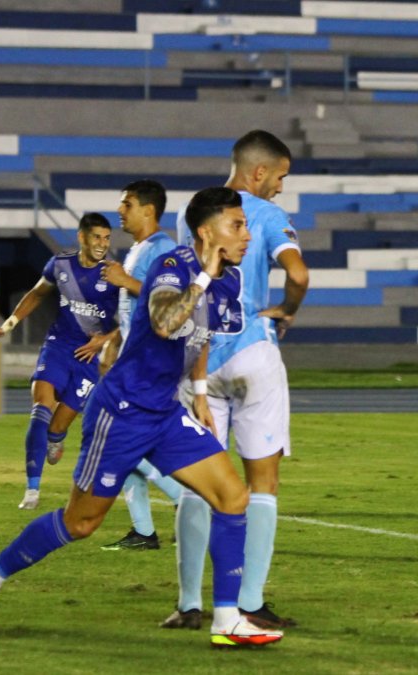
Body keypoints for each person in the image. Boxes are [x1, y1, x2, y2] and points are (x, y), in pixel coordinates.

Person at [0, 187, 282, 648]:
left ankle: (227, 618)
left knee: (233, 498)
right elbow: (165, 323)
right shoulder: (171, 268)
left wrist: (197, 394)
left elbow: (201, 336)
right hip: (122, 412)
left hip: (165, 413)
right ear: (205, 232)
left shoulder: (228, 279)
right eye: (237, 226)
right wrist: (204, 279)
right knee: (82, 523)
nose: (247, 236)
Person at [168, 130, 308, 630]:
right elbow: (298, 274)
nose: (281, 187)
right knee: (262, 483)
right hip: (252, 352)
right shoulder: (266, 218)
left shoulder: (198, 212)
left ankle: (187, 603)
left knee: (196, 482)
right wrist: (287, 311)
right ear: (259, 172)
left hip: (199, 359)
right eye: (281, 176)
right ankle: (249, 601)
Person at [0, 213, 120, 511]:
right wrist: (9, 324)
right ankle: (32, 489)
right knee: (40, 409)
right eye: (97, 237)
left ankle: (56, 437)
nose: (102, 243)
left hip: (90, 358)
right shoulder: (61, 265)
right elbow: (36, 294)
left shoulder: (113, 274)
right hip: (58, 347)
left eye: (106, 238)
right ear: (82, 237)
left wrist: (106, 339)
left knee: (57, 425)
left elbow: (134, 315)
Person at [97, 180, 184, 551]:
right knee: (121, 443)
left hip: (151, 363)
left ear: (149, 210)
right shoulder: (138, 250)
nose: (120, 210)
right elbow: (133, 311)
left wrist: (123, 280)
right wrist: (113, 341)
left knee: (123, 441)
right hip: (132, 361)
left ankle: (186, 500)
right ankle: (144, 531)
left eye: (127, 204)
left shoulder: (165, 251)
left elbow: (168, 302)